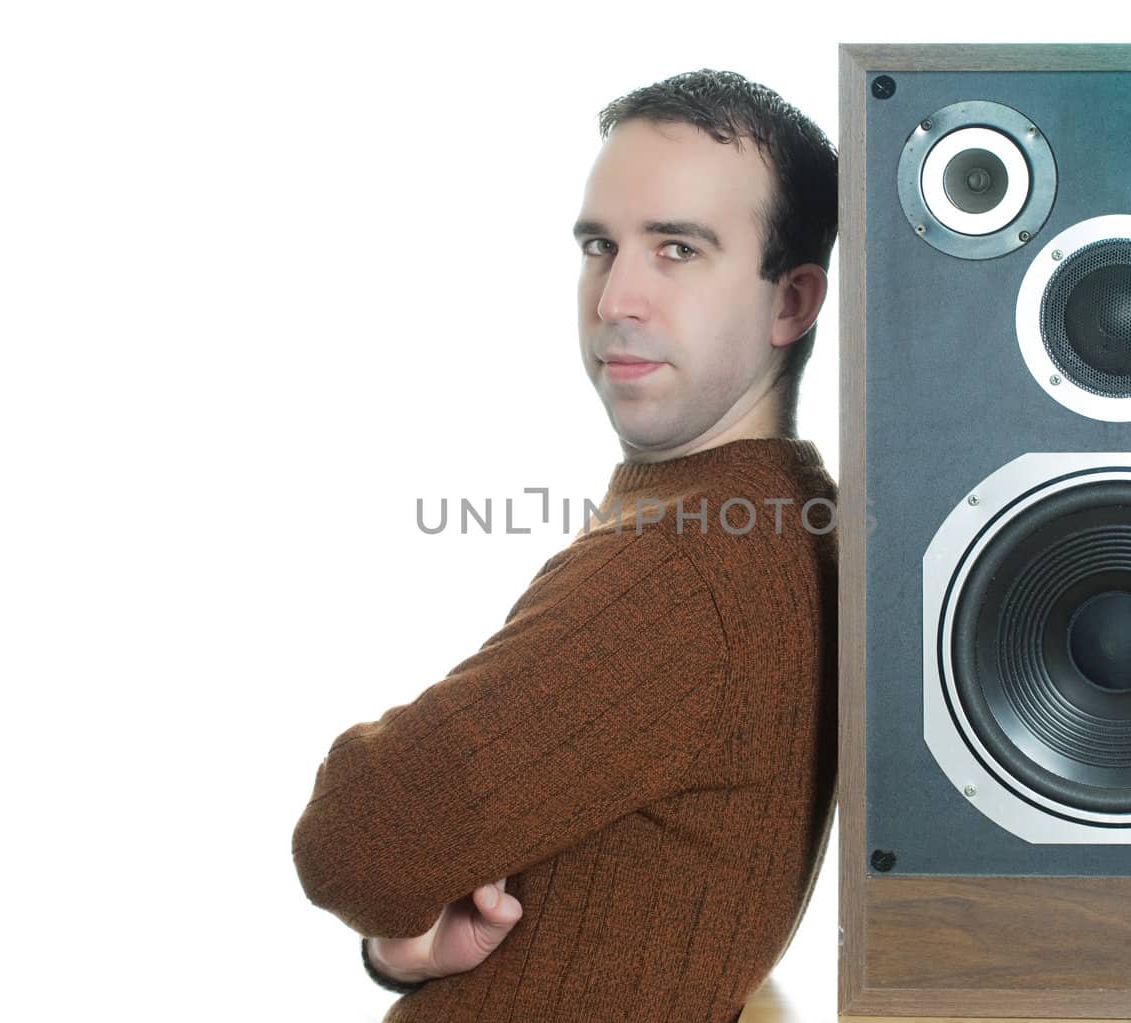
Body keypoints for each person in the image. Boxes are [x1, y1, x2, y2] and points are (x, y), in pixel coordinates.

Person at [292, 68, 839, 1022]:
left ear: (790, 303)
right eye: (601, 245)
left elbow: (355, 838)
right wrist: (406, 944)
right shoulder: (768, 518)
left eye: (678, 249)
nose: (615, 298)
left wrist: (397, 895)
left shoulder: (683, 567)